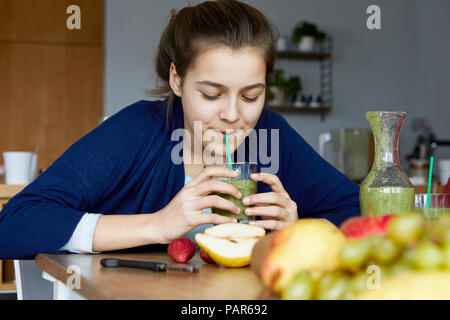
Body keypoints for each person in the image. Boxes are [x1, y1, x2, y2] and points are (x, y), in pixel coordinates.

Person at [0, 0, 360, 260]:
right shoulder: (138, 131)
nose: (233, 115)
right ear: (176, 79)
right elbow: (15, 223)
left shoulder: (271, 134)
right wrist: (157, 225)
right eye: (211, 94)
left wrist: (299, 229)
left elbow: (358, 210)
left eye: (251, 96)